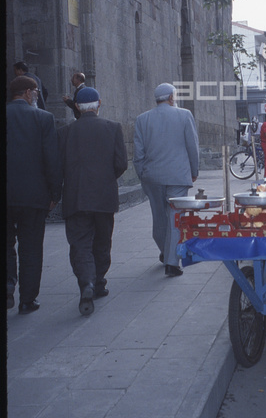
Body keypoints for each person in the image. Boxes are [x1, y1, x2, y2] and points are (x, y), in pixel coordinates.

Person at [58, 87, 127, 316]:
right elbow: (121, 164)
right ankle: (99, 282)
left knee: (80, 243)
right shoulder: (113, 128)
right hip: (104, 197)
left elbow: (58, 166)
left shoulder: (65, 132)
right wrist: (105, 180)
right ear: (99, 104)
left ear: (77, 106)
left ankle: (86, 282)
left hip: (76, 197)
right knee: (102, 241)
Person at [6, 76, 62, 313]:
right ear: (28, 93)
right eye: (36, 91)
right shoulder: (43, 118)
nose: (37, 96)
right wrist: (55, 192)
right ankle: (27, 299)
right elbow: (52, 158)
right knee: (31, 248)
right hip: (34, 196)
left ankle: (7, 285)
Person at [133, 83, 199, 277]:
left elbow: (138, 153)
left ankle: (165, 250)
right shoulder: (184, 115)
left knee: (159, 217)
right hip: (178, 176)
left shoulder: (142, 119)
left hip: (152, 176)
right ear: (171, 98)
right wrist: (194, 170)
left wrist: (142, 174)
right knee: (175, 217)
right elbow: (192, 146)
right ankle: (171, 261)